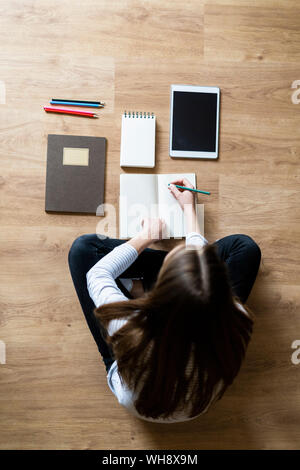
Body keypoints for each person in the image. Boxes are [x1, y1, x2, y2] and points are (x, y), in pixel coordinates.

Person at [68, 178, 261, 423]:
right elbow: (201, 271)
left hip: (134, 391)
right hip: (194, 405)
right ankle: (160, 274)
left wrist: (146, 236)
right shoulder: (233, 316)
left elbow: (96, 273)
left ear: (158, 295)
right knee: (245, 248)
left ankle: (145, 279)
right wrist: (189, 210)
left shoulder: (128, 325)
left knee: (82, 250)